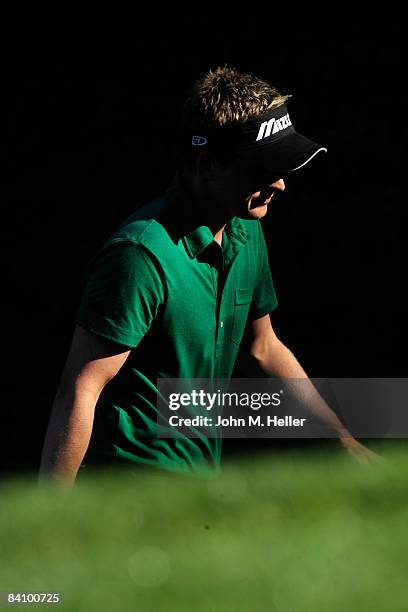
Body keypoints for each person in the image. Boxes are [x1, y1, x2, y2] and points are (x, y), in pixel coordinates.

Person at [39, 66, 377, 487]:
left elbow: (264, 347)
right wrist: (54, 519)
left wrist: (343, 443)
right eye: (263, 169)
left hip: (200, 482)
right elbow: (79, 389)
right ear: (207, 164)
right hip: (127, 485)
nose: (280, 185)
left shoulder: (247, 227)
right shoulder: (140, 254)